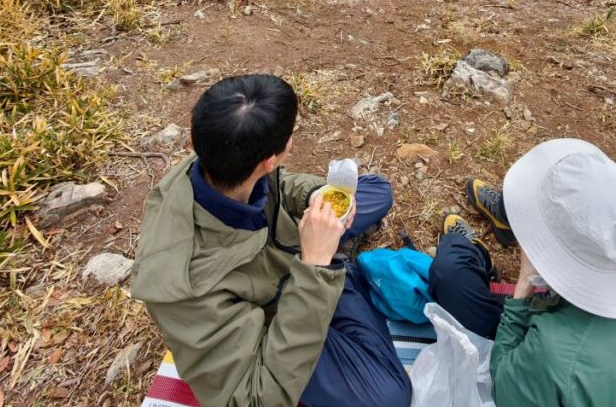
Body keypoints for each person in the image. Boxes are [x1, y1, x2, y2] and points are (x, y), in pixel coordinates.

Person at [131, 74, 411, 407]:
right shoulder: (182, 289)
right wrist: (316, 267)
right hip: (272, 315)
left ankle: (336, 270)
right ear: (269, 160)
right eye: (291, 136)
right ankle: (340, 274)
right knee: (390, 397)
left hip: (288, 265)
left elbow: (277, 185)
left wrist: (313, 195)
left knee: (376, 191)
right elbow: (254, 397)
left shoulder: (217, 158)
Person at [428, 138, 616, 406]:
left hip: (542, 369)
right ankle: (505, 216)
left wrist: (524, 286)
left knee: (451, 270)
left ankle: (469, 246)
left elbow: (502, 385)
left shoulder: (553, 351)